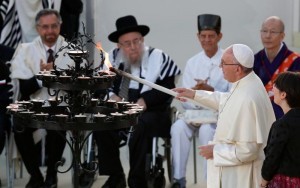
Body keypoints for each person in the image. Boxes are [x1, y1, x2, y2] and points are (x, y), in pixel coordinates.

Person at [94, 15, 181, 188]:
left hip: (151, 112)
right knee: (100, 122)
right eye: (127, 43)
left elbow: (168, 87)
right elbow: (99, 86)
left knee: (139, 124)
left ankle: (137, 181)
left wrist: (145, 100)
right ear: (119, 45)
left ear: (142, 39)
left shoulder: (158, 57)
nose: (133, 47)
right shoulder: (110, 59)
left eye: (137, 41)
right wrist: (111, 97)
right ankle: (116, 175)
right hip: (120, 111)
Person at [173, 44, 275, 188]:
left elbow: (248, 150)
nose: (220, 67)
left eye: (223, 63)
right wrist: (194, 94)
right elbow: (225, 100)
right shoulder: (248, 81)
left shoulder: (247, 98)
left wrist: (215, 151)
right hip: (238, 171)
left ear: (238, 69)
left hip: (242, 177)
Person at [10, 9, 74, 188]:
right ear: (38, 28)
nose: (50, 31)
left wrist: (58, 73)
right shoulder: (25, 50)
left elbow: (76, 88)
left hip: (62, 104)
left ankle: (52, 175)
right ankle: (36, 175)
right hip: (34, 104)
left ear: (60, 26)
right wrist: (44, 76)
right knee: (19, 124)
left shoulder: (72, 51)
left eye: (54, 26)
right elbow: (24, 88)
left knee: (58, 119)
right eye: (45, 27)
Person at [170, 14, 229, 188]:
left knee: (206, 132)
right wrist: (195, 95)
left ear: (219, 36)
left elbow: (232, 95)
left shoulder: (228, 59)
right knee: (177, 128)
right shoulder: (192, 62)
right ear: (198, 37)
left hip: (216, 116)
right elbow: (184, 99)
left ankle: (209, 181)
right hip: (193, 113)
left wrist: (210, 92)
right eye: (203, 36)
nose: (207, 40)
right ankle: (178, 179)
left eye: (211, 36)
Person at [253, 16, 300, 120]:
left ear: (282, 36)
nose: (267, 36)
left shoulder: (296, 61)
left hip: (287, 119)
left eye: (273, 32)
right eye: (264, 31)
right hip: (259, 116)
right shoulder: (254, 60)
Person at [261, 71, 300, 188]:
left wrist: (263, 182)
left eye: (276, 85)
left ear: (283, 94)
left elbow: (272, 158)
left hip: (286, 183)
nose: (272, 87)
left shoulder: (282, 125)